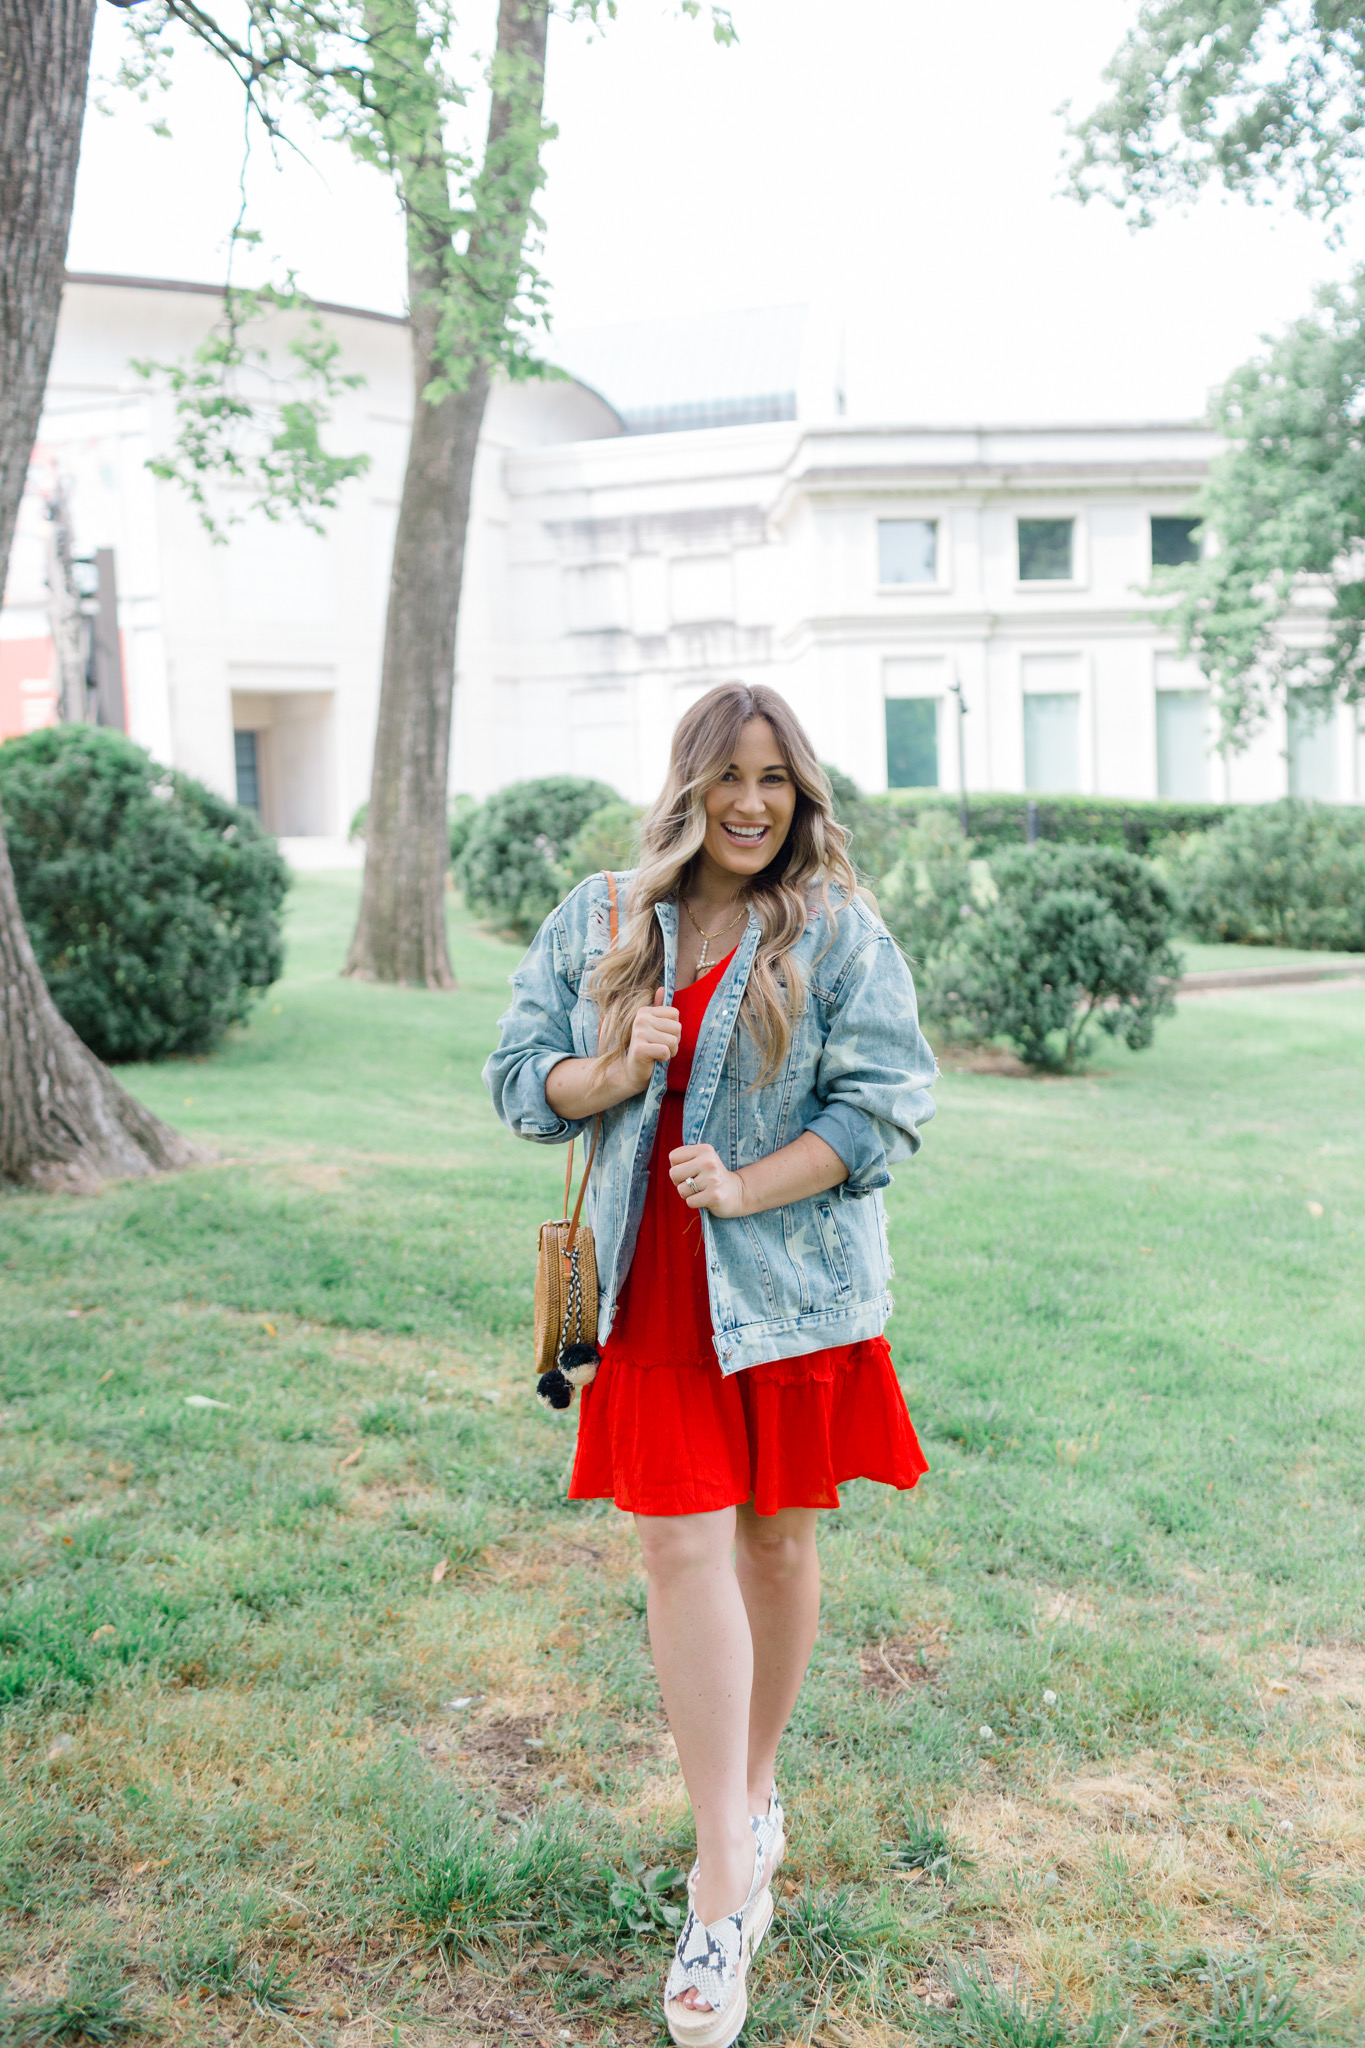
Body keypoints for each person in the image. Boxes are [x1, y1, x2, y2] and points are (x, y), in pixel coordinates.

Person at [484, 682, 935, 2047]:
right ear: (688, 785)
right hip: (650, 1298)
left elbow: (887, 1107)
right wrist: (608, 1070)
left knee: (776, 1550)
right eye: (728, 776)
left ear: (802, 797)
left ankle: (750, 1790)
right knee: (678, 1551)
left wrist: (745, 1187)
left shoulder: (835, 931)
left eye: (776, 782)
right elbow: (516, 1078)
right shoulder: (603, 917)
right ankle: (723, 1881)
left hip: (789, 1291)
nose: (751, 804)